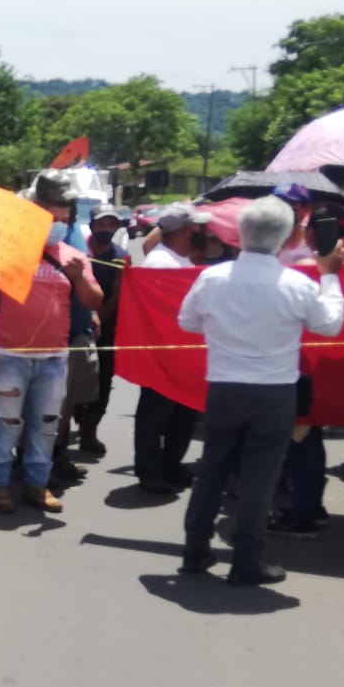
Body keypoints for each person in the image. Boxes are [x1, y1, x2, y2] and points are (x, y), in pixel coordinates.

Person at [178, 196, 344, 586]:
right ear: (289, 238)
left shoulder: (212, 278)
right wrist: (332, 276)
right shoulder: (297, 285)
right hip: (273, 393)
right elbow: (331, 325)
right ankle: (247, 561)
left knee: (212, 472)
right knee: (258, 479)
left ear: (239, 234)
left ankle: (194, 552)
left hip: (224, 387)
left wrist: (226, 328)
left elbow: (187, 322)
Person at [0, 173, 102, 515]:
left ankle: (37, 484)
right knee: (5, 424)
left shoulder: (72, 254)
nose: (59, 224)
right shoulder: (8, 251)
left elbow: (95, 300)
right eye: (53, 217)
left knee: (46, 426)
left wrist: (79, 278)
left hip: (53, 358)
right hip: (11, 355)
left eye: (64, 219)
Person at [133, 203, 211, 494]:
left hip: (184, 352)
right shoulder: (161, 263)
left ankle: (170, 465)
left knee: (183, 413)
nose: (200, 231)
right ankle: (150, 470)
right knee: (156, 415)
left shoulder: (181, 259)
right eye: (195, 227)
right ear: (184, 230)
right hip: (165, 353)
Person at [75, 203, 128, 457]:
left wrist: (98, 320)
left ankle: (89, 432)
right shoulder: (78, 250)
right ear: (92, 224)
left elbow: (117, 296)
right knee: (74, 382)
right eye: (101, 224)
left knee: (103, 384)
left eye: (111, 225)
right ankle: (74, 424)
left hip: (107, 331)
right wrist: (86, 319)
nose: (106, 229)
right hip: (76, 326)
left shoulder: (120, 257)